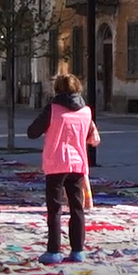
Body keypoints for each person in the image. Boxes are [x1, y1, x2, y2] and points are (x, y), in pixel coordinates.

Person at [27, 73, 100, 264]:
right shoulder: (86, 111)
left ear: (57, 89)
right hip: (77, 163)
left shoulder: (53, 109)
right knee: (77, 208)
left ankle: (53, 251)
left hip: (56, 163)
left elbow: (32, 132)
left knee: (55, 209)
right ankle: (78, 250)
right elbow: (93, 138)